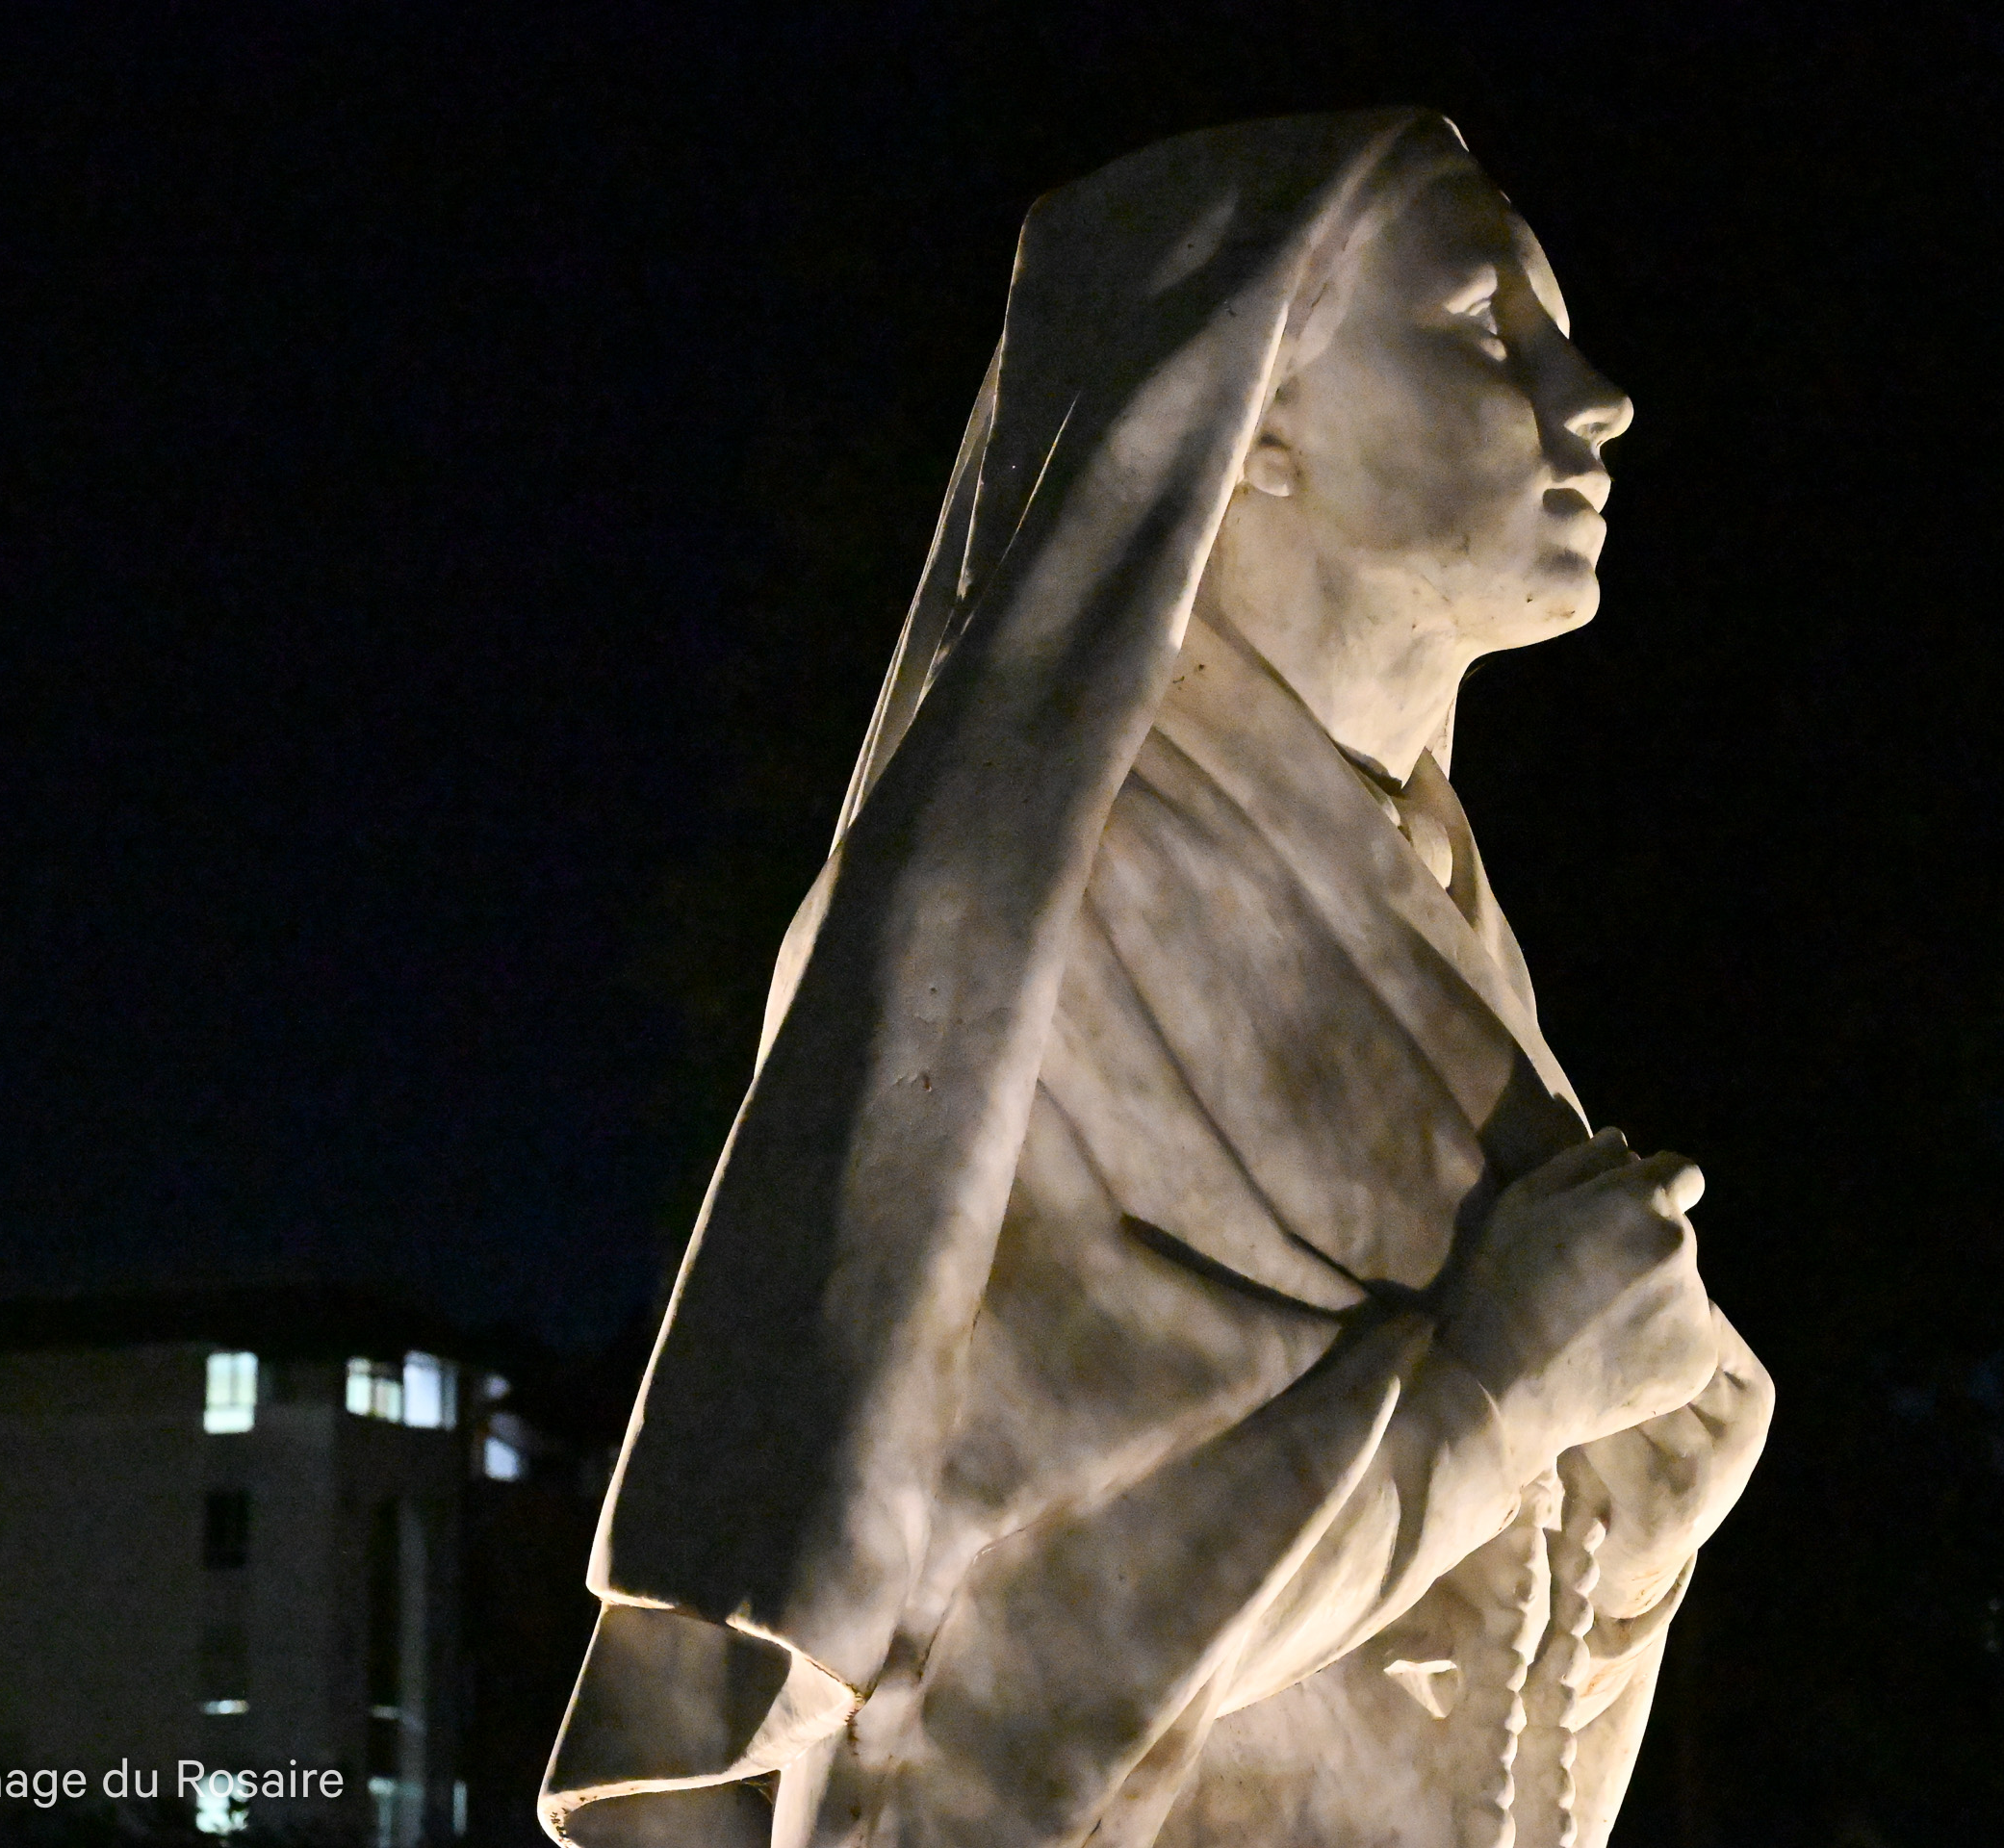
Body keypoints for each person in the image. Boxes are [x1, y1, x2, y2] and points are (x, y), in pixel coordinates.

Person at [542, 110, 1770, 1848]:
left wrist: (1631, 1515)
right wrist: (1499, 1398)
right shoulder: (1013, 928)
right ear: (1248, 412)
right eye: (1482, 326)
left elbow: (1422, 1694)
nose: (1597, 396)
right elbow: (949, 1715)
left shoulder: (1434, 905)